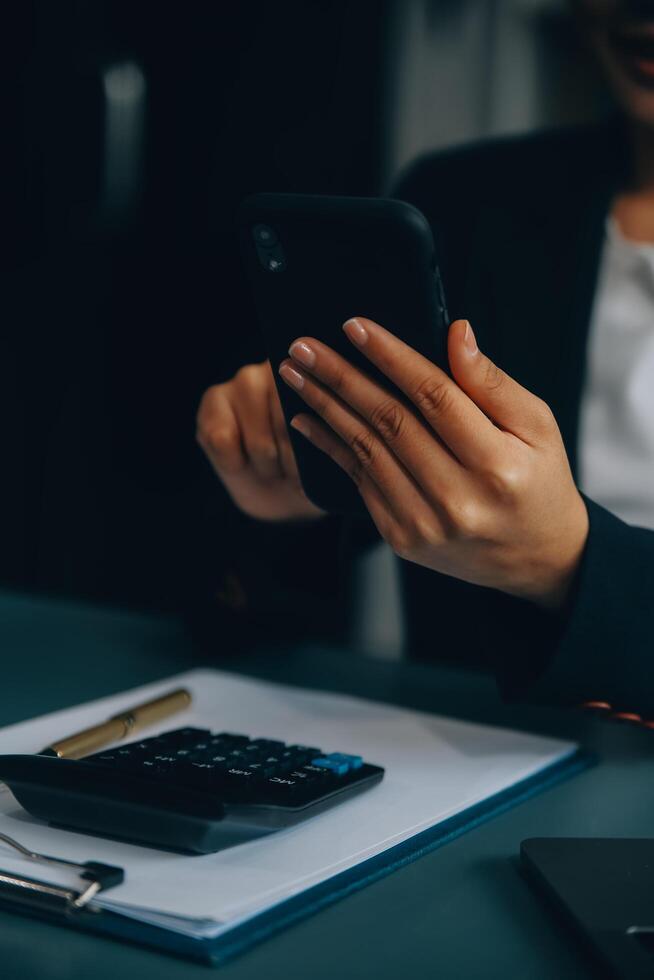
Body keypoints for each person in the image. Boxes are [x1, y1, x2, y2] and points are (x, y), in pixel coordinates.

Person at [196, 0, 654, 718]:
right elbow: (268, 607)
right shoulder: (469, 204)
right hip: (465, 760)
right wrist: (288, 496)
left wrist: (571, 564)